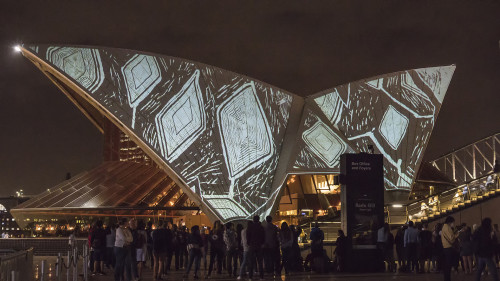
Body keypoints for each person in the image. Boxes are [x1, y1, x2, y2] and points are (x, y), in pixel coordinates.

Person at [442, 216, 462, 281]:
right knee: (448, 265)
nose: (453, 223)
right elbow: (452, 238)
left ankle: (447, 278)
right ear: (450, 222)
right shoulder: (447, 228)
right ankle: (447, 279)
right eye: (453, 222)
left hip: (445, 247)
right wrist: (457, 235)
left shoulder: (444, 227)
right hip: (448, 248)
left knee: (447, 265)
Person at [247, 216, 265, 280]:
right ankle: (261, 276)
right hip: (259, 246)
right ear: (259, 220)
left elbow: (248, 237)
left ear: (253, 220)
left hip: (252, 246)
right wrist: (262, 243)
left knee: (251, 262)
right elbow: (263, 237)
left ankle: (250, 276)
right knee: (260, 262)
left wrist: (249, 244)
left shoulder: (250, 227)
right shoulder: (261, 227)